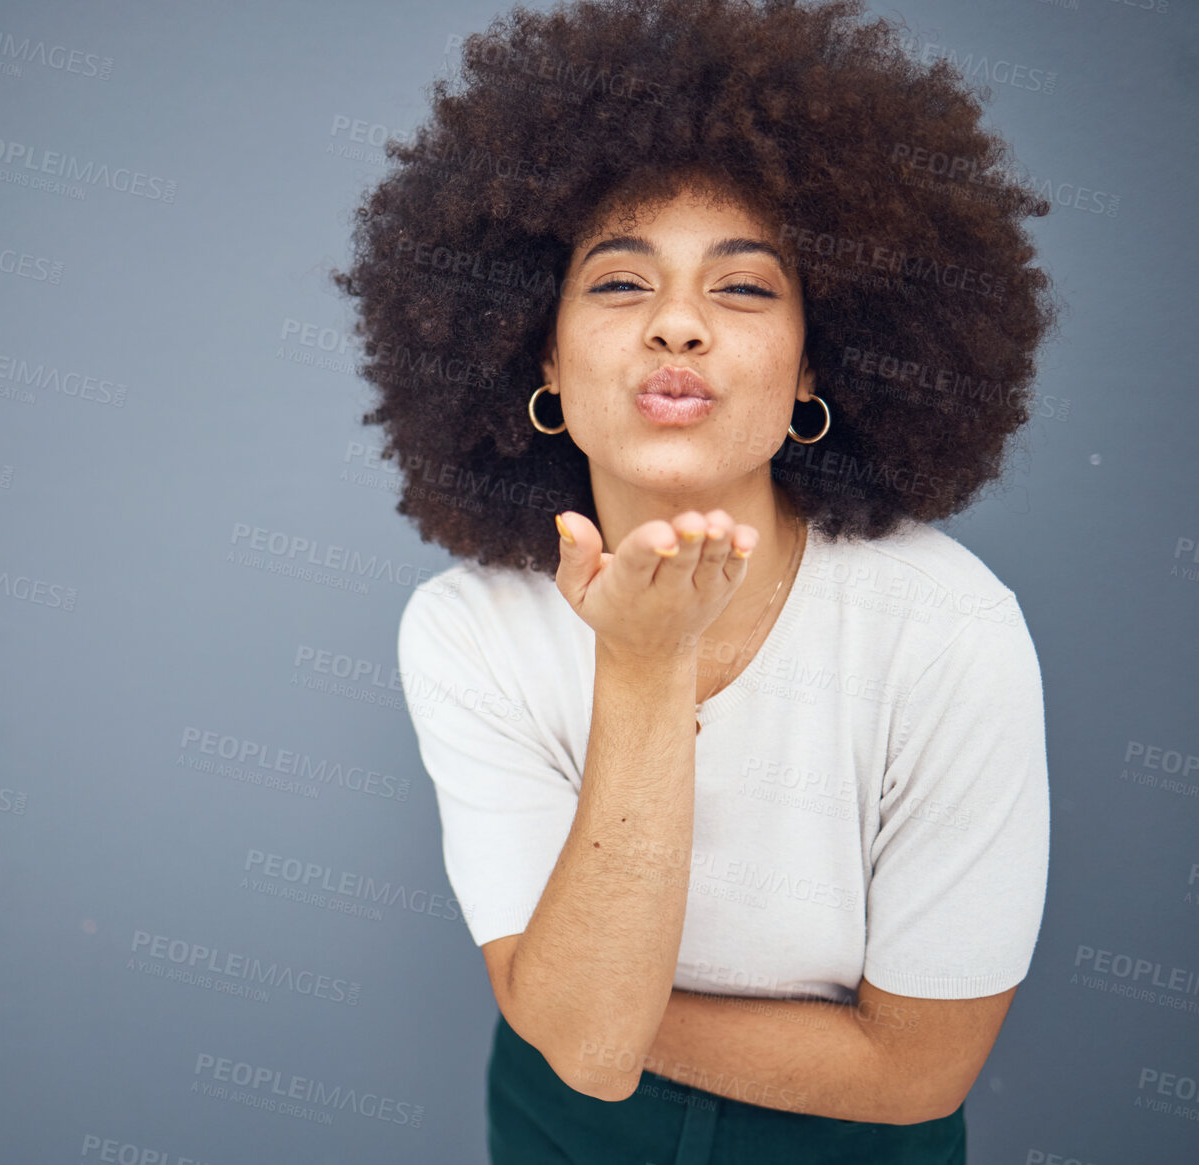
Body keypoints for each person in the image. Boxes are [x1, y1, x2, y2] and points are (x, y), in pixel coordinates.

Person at [331, 0, 1059, 1160]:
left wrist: (570, 996)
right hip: (564, 1134)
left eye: (744, 288)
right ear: (545, 359)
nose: (677, 324)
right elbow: (580, 1061)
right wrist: (645, 661)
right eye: (620, 285)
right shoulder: (465, 628)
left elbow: (918, 1069)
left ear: (815, 360)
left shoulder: (948, 625)